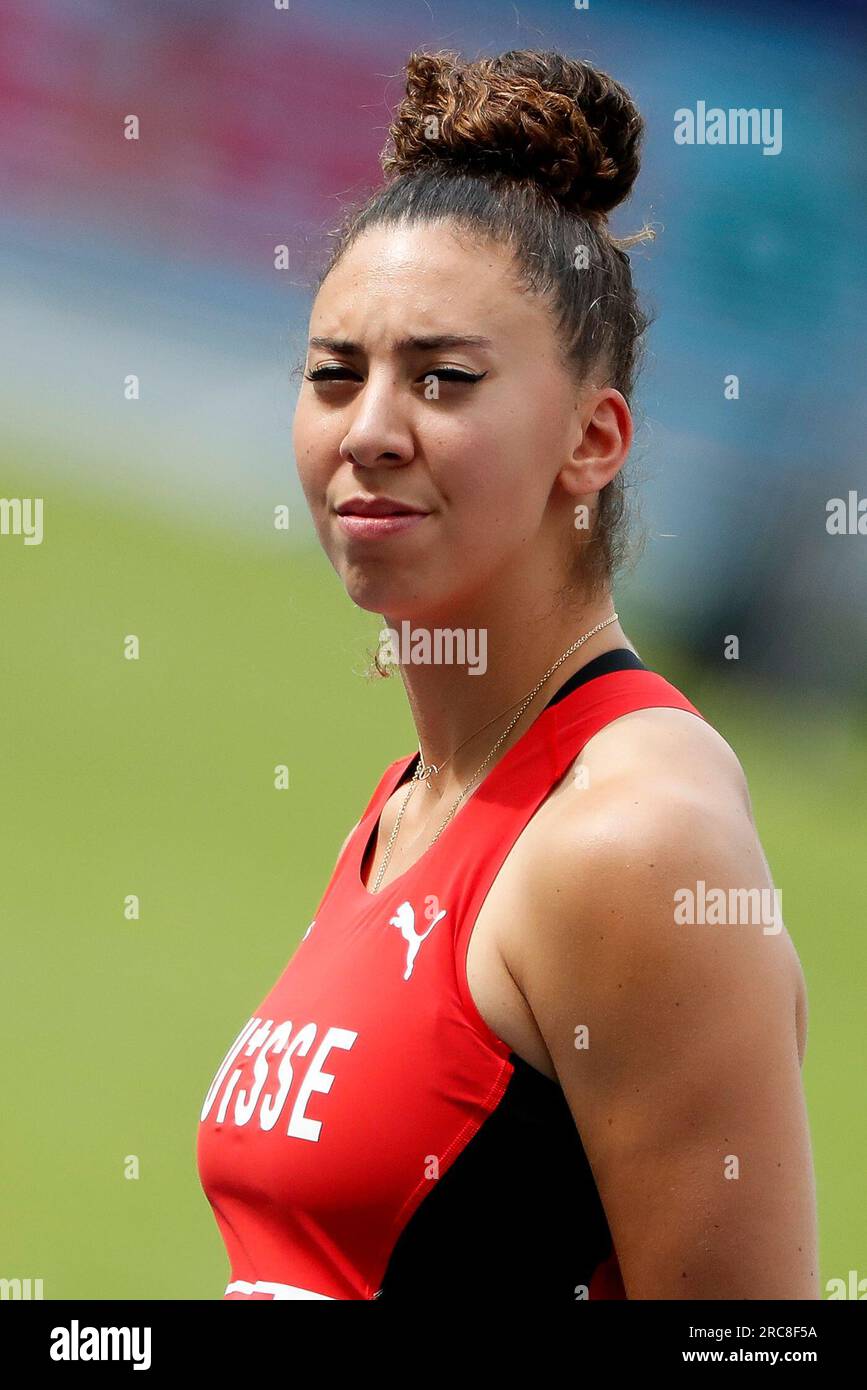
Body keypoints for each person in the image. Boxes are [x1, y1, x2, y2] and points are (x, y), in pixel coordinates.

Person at [197, 47, 818, 1300]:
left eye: (444, 378)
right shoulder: (411, 803)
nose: (369, 428)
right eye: (334, 373)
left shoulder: (637, 841)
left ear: (591, 440)